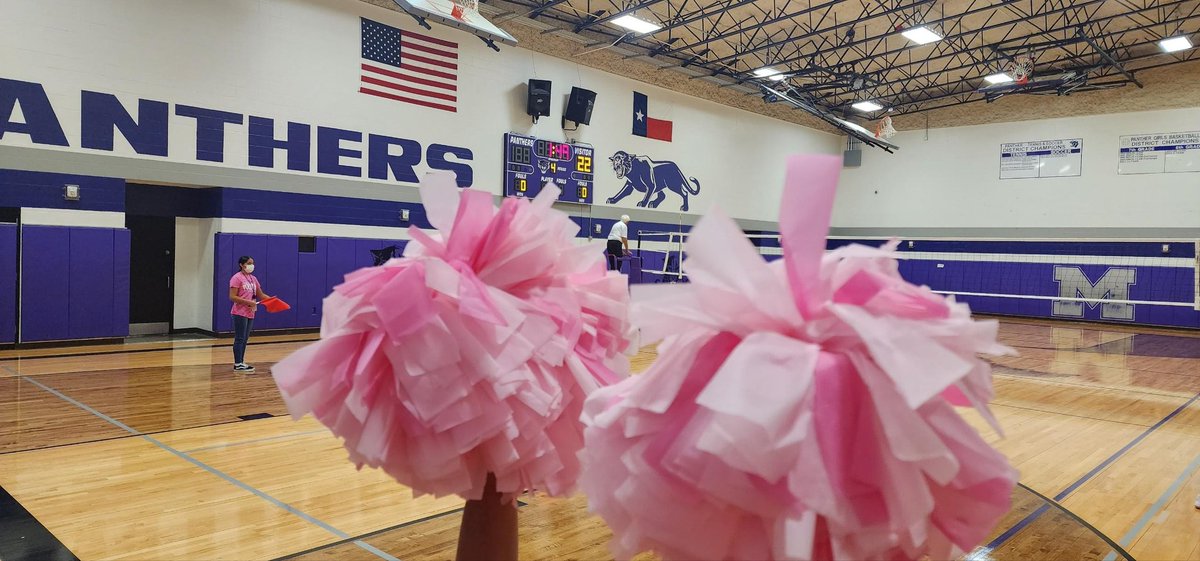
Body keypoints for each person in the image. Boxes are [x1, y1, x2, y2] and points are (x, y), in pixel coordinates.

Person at [229, 255, 270, 372]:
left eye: (252, 263)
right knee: (240, 338)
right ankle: (238, 363)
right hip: (239, 312)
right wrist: (247, 302)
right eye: (249, 263)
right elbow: (232, 296)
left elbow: (260, 295)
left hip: (250, 312)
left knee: (245, 338)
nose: (251, 265)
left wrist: (272, 300)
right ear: (242, 265)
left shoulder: (253, 279)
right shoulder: (236, 278)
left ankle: (241, 362)